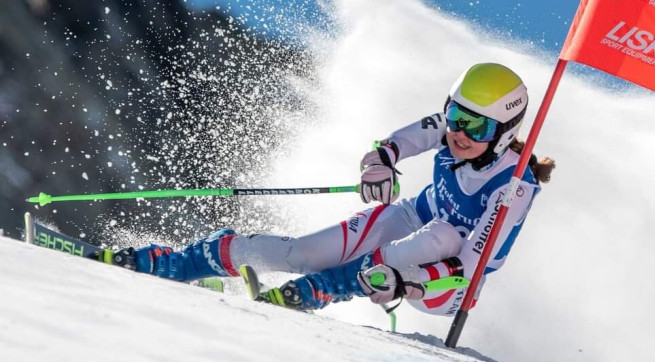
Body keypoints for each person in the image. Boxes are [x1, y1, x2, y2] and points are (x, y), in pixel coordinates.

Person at [122, 63, 555, 315]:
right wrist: (380, 163)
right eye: (456, 115)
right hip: (415, 220)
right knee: (306, 253)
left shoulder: (513, 185)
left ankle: (330, 286)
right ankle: (189, 259)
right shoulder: (452, 127)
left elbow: (470, 264)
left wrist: (407, 284)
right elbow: (395, 145)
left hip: (450, 286)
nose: (460, 132)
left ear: (504, 131)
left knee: (440, 236)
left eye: (476, 126)